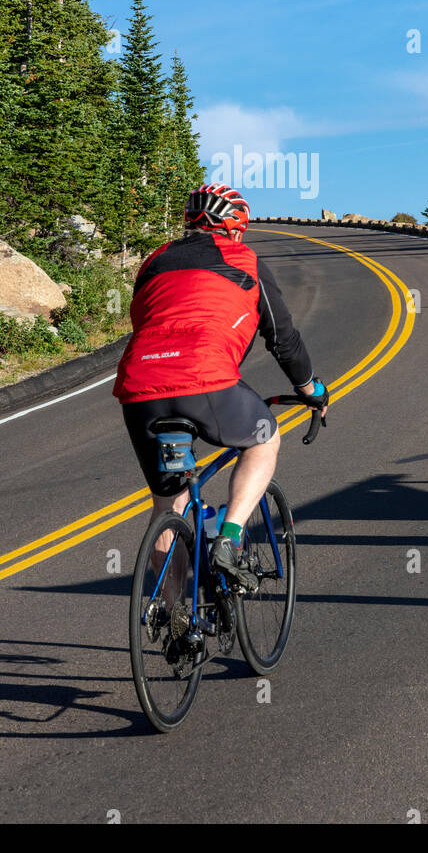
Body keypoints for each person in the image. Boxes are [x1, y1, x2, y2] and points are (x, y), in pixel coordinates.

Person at [113, 183, 328, 589]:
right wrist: (310, 388)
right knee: (264, 440)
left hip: (140, 383)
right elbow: (282, 338)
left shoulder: (154, 261)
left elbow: (143, 318)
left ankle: (174, 613)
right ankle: (228, 538)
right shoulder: (245, 261)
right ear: (235, 228)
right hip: (204, 376)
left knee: (167, 503)